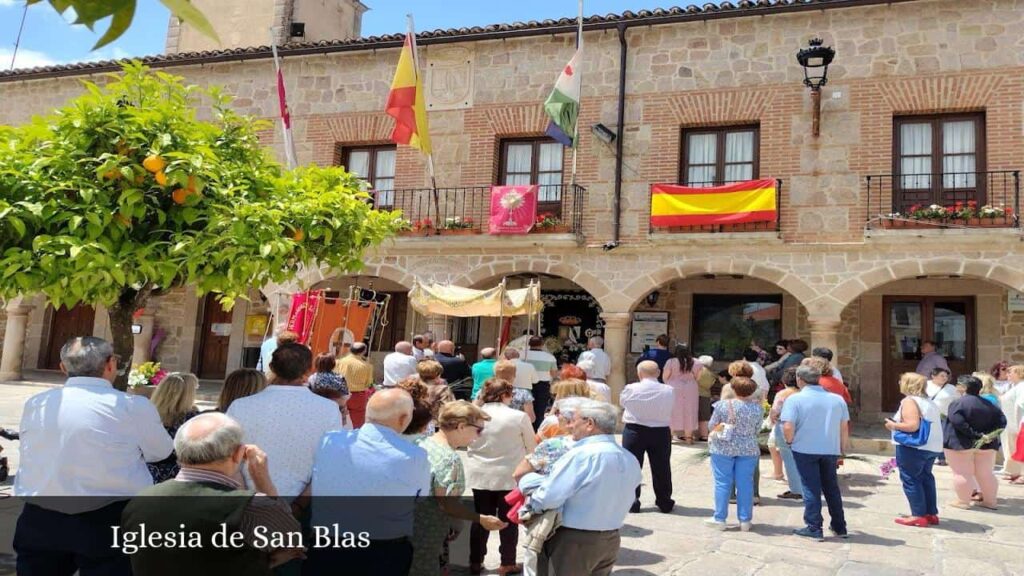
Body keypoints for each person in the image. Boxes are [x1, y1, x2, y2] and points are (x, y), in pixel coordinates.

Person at [14, 336, 173, 576]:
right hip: (108, 517)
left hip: (41, 516)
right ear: (110, 365)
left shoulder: (38, 403)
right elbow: (161, 452)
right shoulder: (132, 406)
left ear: (62, 367)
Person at [121, 412, 302, 575]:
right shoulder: (251, 507)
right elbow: (291, 539)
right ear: (238, 454)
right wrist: (261, 478)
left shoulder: (139, 502)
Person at [307, 388, 431, 576]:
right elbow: (420, 497)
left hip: (327, 547)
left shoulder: (329, 441)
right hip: (382, 551)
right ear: (404, 417)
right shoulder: (414, 456)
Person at [524, 400, 642, 576]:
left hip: (574, 541)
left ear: (590, 424)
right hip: (610, 539)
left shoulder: (581, 456)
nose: (570, 425)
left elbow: (549, 497)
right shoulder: (629, 458)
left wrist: (532, 501)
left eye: (574, 420)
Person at [227, 342, 341, 497]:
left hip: (247, 498)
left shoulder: (240, 406)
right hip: (301, 502)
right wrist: (299, 505)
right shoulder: (328, 409)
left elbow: (227, 459)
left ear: (271, 367)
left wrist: (245, 497)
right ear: (309, 370)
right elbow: (329, 463)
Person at [410, 401, 506, 576]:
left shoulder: (422, 443)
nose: (478, 437)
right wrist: (480, 519)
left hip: (408, 528)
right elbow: (446, 504)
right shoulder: (449, 459)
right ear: (461, 426)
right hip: (428, 533)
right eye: (479, 430)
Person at [466, 379, 537, 575]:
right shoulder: (518, 416)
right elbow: (532, 447)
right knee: (509, 519)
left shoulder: (473, 416)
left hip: (480, 473)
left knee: (480, 517)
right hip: (509, 474)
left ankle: (475, 560)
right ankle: (507, 562)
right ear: (505, 394)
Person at [781, 364, 850, 541]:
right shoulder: (837, 399)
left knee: (810, 487)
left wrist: (789, 441)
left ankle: (814, 526)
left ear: (799, 379)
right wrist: (843, 449)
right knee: (831, 487)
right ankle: (839, 525)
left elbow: (788, 425)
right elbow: (843, 427)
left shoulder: (795, 400)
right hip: (830, 448)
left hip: (804, 448)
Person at [885, 372, 943, 527]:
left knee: (911, 478)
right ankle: (930, 512)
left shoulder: (909, 401)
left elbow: (912, 426)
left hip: (914, 446)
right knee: (926, 477)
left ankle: (917, 514)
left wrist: (893, 425)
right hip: (932, 445)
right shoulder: (929, 401)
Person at [705, 376, 763, 531]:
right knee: (745, 483)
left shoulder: (722, 405)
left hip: (723, 448)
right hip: (748, 448)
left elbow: (712, 425)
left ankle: (720, 518)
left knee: (722, 482)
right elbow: (758, 429)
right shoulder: (758, 408)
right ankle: (745, 520)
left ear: (734, 389)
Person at [620, 360, 676, 513]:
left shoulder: (630, 389)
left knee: (632, 466)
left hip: (634, 429)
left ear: (639, 373)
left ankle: (632, 501)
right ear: (658, 373)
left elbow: (623, 403)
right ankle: (664, 501)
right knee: (662, 466)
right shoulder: (669, 390)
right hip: (660, 430)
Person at [944, 375, 1006, 510]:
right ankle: (990, 501)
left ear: (964, 387)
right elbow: (1002, 421)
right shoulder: (990, 405)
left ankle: (963, 501)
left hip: (961, 443)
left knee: (962, 472)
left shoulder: (958, 403)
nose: (956, 386)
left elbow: (958, 422)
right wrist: (989, 436)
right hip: (987, 444)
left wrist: (976, 435)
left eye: (958, 384)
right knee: (986, 473)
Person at [147, 372, 202, 482]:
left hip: (147, 472)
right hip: (181, 475)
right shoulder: (192, 418)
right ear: (187, 394)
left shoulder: (147, 413)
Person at [771, 367, 803, 500]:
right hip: (801, 427)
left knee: (789, 459)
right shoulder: (803, 393)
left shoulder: (783, 394)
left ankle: (796, 489)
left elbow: (774, 412)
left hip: (784, 426)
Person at [662, 344, 701, 444]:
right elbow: (697, 378)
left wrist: (670, 383)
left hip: (673, 387)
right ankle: (689, 438)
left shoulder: (670, 362)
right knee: (690, 410)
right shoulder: (696, 362)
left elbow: (665, 377)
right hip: (690, 388)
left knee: (672, 411)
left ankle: (669, 436)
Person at [335, 342, 374, 427]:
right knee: (357, 421)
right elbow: (368, 383)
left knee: (338, 418)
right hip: (357, 396)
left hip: (340, 394)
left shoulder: (339, 362)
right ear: (364, 351)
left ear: (350, 349)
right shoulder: (367, 366)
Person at [309, 352, 352, 428]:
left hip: (317, 412)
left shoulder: (312, 378)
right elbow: (345, 395)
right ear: (333, 364)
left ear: (316, 363)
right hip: (337, 411)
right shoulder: (340, 377)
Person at [524, 336, 559, 429]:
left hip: (525, 384)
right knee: (539, 410)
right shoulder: (550, 357)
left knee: (523, 410)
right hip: (542, 386)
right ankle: (536, 430)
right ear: (542, 345)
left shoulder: (522, 355)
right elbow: (554, 373)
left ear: (529, 344)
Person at [999, 364, 1024, 482]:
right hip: (1010, 422)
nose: (1008, 375)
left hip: (1016, 422)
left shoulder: (1021, 386)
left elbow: (1020, 405)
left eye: (1011, 372)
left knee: (1018, 448)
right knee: (1012, 448)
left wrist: (1019, 424)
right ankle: (1013, 471)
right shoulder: (1013, 386)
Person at [494, 359, 536, 423]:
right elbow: (531, 418)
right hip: (515, 429)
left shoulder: (485, 391)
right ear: (514, 375)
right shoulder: (524, 394)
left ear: (495, 374)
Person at [417, 359, 456, 428]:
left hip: (416, 424)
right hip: (435, 425)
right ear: (437, 374)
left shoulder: (414, 387)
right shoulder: (443, 389)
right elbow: (449, 408)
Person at [696, 354, 717, 440]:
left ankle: (690, 435)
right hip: (705, 395)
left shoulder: (695, 370)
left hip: (693, 394)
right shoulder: (710, 374)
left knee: (692, 415)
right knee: (704, 417)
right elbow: (709, 385)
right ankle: (704, 435)